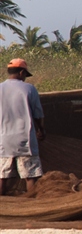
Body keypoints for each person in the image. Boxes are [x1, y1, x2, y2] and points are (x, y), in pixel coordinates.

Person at [0, 58, 45, 195]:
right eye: (25, 75)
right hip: (25, 140)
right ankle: (32, 207)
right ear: (21, 72)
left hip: (3, 141)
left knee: (2, 177)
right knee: (30, 176)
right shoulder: (29, 89)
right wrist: (41, 130)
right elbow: (38, 115)